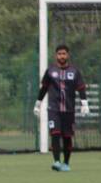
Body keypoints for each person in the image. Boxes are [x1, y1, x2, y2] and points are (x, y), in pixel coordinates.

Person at [34, 44, 89, 172]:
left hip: (69, 110)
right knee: (55, 134)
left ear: (68, 55)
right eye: (59, 54)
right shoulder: (50, 71)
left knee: (67, 137)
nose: (62, 56)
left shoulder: (74, 71)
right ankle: (57, 162)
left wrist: (84, 103)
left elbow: (81, 88)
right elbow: (44, 88)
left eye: (64, 54)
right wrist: (38, 104)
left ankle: (66, 163)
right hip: (54, 109)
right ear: (56, 56)